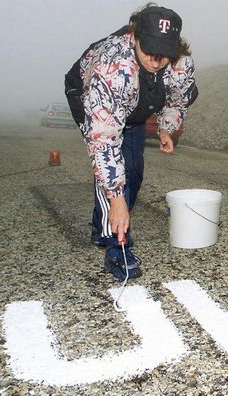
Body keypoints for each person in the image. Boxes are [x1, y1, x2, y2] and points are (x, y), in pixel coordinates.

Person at [64, 4, 196, 280]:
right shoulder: (111, 67)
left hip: (137, 105)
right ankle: (116, 245)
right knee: (115, 170)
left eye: (164, 53)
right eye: (149, 50)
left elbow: (177, 99)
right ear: (134, 36)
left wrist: (165, 129)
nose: (156, 60)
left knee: (134, 170)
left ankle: (103, 227)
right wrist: (116, 199)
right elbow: (104, 143)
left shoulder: (179, 63)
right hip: (93, 97)